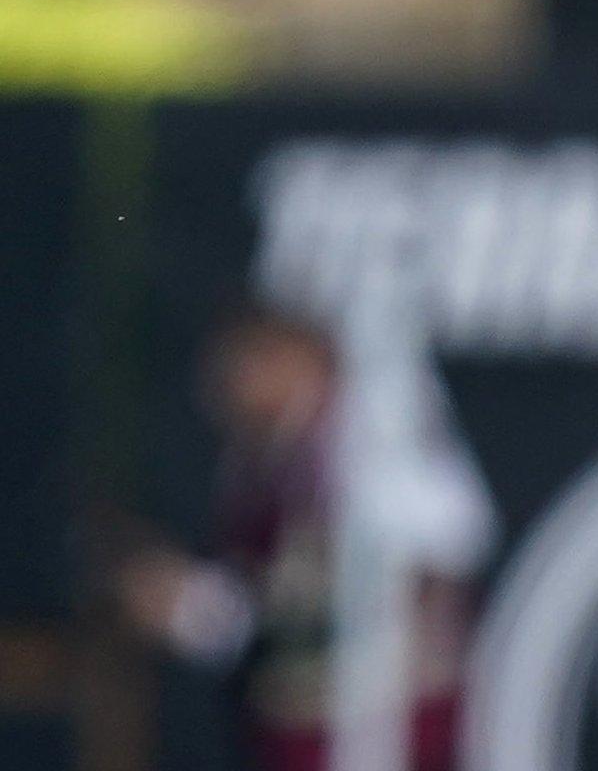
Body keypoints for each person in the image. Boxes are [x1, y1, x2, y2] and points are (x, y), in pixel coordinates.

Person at [118, 304, 473, 771]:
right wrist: (190, 606)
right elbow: (256, 617)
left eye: (251, 361)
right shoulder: (252, 464)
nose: (232, 384)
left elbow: (444, 544)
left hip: (395, 727)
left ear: (299, 352)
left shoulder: (379, 429)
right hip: (301, 736)